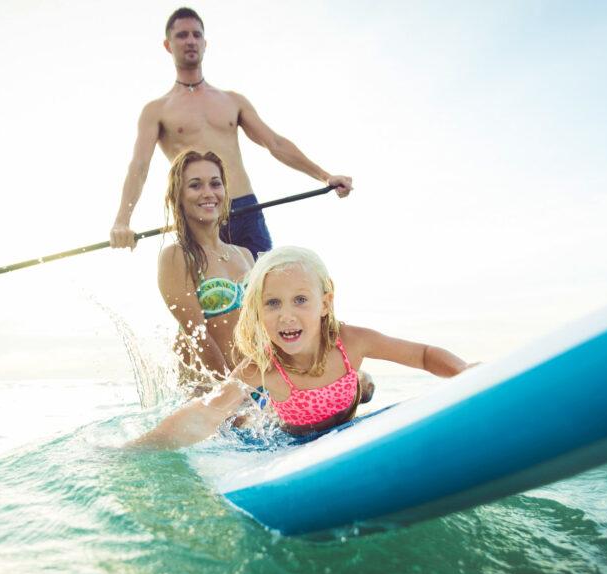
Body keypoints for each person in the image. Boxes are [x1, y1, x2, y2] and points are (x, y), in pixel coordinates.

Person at [131, 246, 474, 449]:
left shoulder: (351, 341)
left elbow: (424, 355)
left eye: (300, 300)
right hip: (284, 436)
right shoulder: (262, 366)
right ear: (258, 311)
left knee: (363, 386)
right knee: (238, 421)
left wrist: (464, 372)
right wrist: (141, 447)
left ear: (325, 303)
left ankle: (361, 382)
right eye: (273, 304)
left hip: (341, 402)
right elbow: (205, 412)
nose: (286, 316)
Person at [110, 7, 354, 258]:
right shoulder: (156, 110)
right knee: (210, 295)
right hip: (199, 214)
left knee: (262, 290)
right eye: (182, 35)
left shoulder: (233, 101)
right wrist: (122, 221)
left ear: (205, 43)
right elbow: (139, 167)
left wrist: (325, 177)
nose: (191, 41)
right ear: (168, 45)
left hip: (245, 208)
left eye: (196, 35)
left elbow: (275, 143)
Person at [159, 149, 254, 380]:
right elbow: (196, 335)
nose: (208, 193)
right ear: (178, 196)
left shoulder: (244, 255)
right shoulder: (176, 256)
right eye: (195, 185)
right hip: (207, 393)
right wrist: (231, 393)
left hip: (251, 387)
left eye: (215, 183)